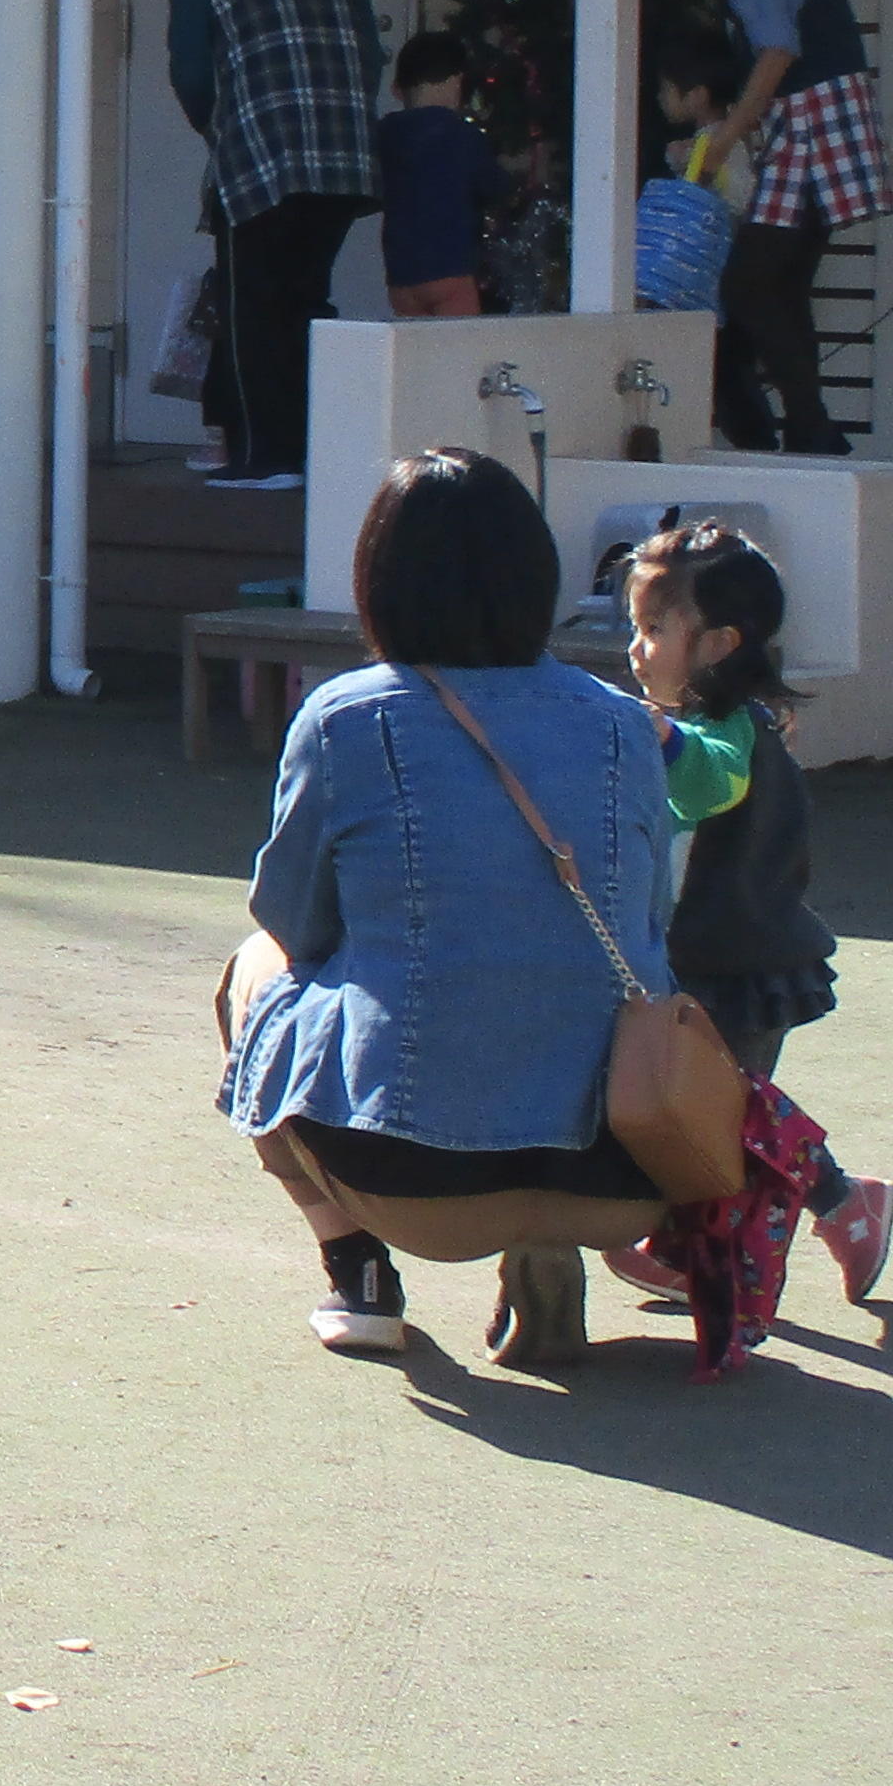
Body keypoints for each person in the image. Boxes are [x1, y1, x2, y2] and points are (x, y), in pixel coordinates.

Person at [216, 447, 677, 1367]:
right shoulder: (626, 722)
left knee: (252, 967)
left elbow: (295, 919)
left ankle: (359, 1272)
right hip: (630, 1164)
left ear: (380, 579)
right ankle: (544, 1244)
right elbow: (653, 926)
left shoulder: (347, 717)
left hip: (414, 1177)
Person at [605, 521, 893, 1310]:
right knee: (703, 1111)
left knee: (727, 1114)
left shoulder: (727, 733)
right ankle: (684, 1247)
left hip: (740, 965)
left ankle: (843, 1203)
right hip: (698, 959)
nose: (636, 648)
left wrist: (656, 733)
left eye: (656, 628)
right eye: (635, 627)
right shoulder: (695, 726)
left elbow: (709, 786)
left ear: (718, 643)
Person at [663, 0, 890, 456]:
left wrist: (729, 134)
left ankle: (809, 429)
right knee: (781, 280)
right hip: (821, 115)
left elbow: (777, 49)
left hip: (811, 120)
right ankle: (808, 429)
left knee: (753, 283)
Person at [167, 0, 388, 488]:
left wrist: (216, 128)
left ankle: (264, 455)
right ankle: (316, 449)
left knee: (252, 306)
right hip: (344, 154)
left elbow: (192, 69)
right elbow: (370, 54)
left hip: (261, 151)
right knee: (306, 298)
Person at [372, 33, 510, 321]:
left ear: (397, 89)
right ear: (457, 82)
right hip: (451, 269)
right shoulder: (462, 135)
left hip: (401, 274)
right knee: (457, 352)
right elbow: (493, 186)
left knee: (415, 352)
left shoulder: (385, 134)